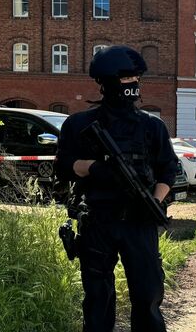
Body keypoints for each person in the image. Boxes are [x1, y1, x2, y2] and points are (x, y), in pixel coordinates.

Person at [55, 46, 177, 332]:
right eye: (125, 79)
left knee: (147, 296)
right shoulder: (79, 124)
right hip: (98, 221)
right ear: (106, 82)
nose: (132, 85)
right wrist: (94, 167)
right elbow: (62, 168)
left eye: (136, 78)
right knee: (98, 298)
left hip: (140, 222)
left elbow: (168, 170)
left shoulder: (152, 127)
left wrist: (156, 202)